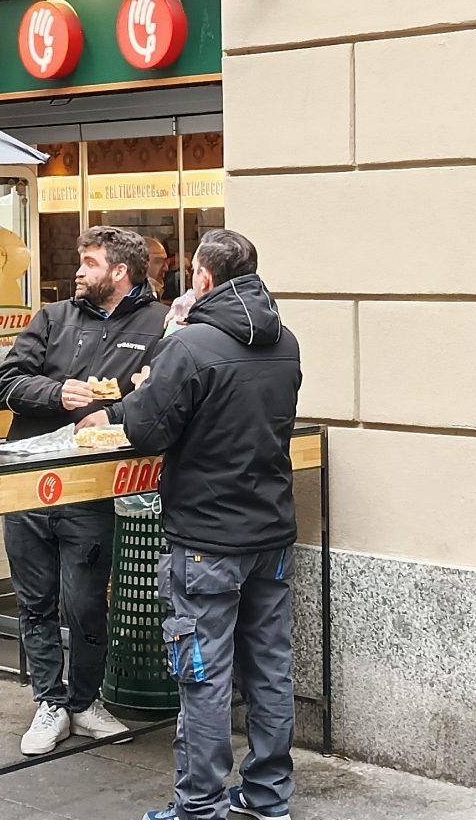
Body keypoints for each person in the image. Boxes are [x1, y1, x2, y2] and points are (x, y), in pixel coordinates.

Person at [86, 229, 301, 820]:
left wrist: (169, 344)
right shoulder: (286, 343)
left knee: (203, 675)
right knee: (270, 668)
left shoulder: (191, 346)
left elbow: (147, 429)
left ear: (203, 278)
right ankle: (267, 798)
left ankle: (199, 806)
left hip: (207, 537)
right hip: (271, 533)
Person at [0, 226, 165, 755]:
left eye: (90, 262)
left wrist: (111, 411)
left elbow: (162, 397)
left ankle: (85, 702)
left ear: (120, 271)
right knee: (34, 601)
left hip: (90, 487)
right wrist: (54, 392)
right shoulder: (53, 317)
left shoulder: (159, 325)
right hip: (27, 483)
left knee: (87, 603)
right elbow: (7, 382)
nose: (79, 270)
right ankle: (49, 701)